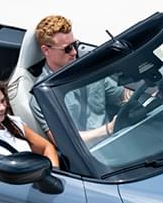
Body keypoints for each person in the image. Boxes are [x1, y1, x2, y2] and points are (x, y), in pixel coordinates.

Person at [10, 14, 117, 143]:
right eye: (67, 49)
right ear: (46, 50)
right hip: (90, 152)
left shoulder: (88, 71)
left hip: (115, 141)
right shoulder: (44, 96)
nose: (74, 52)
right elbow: (65, 141)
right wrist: (108, 129)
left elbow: (121, 95)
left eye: (75, 44)